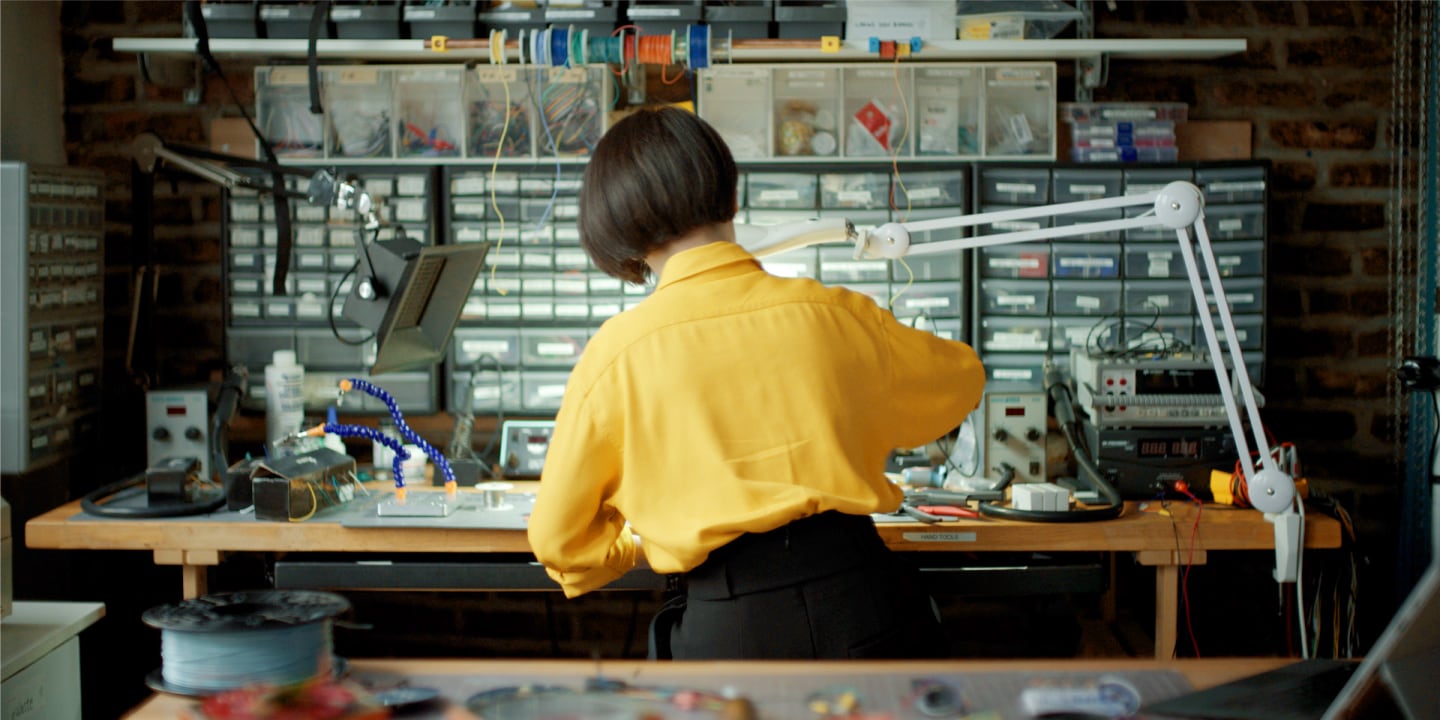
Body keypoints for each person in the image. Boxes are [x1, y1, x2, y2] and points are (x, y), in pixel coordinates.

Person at [526, 106, 986, 660]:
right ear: (729, 195)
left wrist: (631, 545)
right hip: (864, 605)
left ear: (618, 232)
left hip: (728, 625)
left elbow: (559, 542)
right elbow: (961, 381)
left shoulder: (613, 358)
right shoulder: (832, 313)